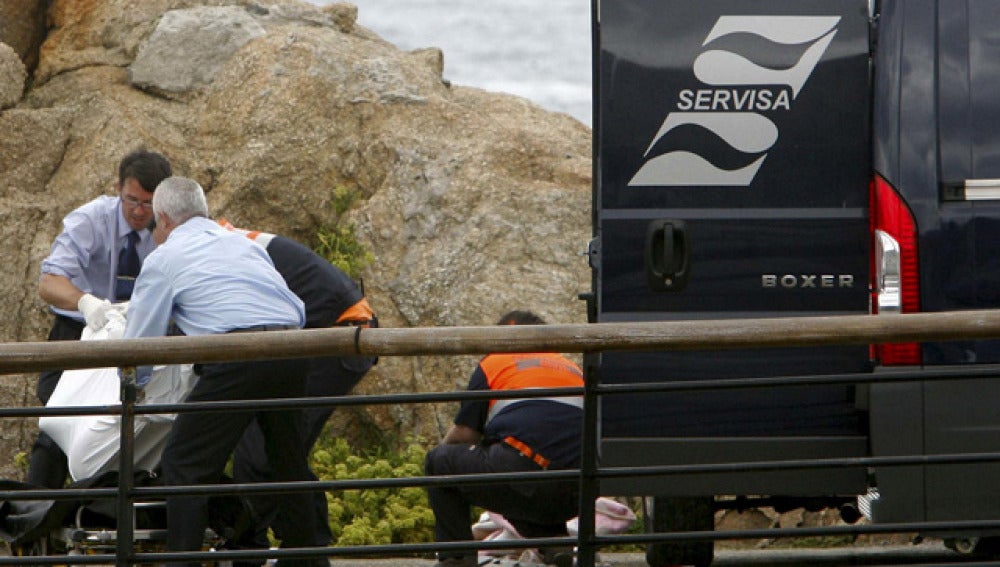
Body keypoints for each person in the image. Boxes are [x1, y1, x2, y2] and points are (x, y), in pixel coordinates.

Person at [123, 176, 327, 567]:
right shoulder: (242, 243)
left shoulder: (164, 258)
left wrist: (132, 386)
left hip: (236, 353)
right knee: (288, 462)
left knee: (184, 463)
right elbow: (293, 307)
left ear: (163, 219)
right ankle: (309, 559)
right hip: (293, 346)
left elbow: (139, 344)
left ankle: (181, 562)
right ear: (203, 212)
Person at [219, 219, 378, 550]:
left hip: (340, 334)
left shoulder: (225, 250)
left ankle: (261, 545)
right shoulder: (230, 241)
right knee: (279, 448)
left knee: (266, 447)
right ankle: (303, 546)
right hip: (328, 331)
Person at [31, 148, 172, 488]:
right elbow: (49, 283)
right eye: (131, 200)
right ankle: (35, 521)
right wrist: (85, 303)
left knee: (143, 431)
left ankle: (120, 521)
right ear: (118, 188)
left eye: (148, 204)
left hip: (139, 336)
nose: (139, 212)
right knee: (59, 426)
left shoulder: (170, 227)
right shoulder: (92, 219)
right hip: (81, 329)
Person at [424, 311, 584, 567]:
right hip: (579, 491)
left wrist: (439, 467)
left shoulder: (495, 361)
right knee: (522, 462)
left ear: (502, 336)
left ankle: (456, 560)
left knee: (440, 462)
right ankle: (555, 544)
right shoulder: (571, 367)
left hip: (524, 473)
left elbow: (464, 435)